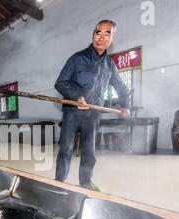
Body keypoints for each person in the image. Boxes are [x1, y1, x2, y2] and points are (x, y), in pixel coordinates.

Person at [54, 20, 131, 192]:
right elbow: (60, 83)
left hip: (93, 114)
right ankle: (59, 182)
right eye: (98, 32)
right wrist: (76, 97)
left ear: (113, 37)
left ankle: (86, 181)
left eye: (107, 33)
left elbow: (120, 86)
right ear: (93, 35)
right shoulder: (77, 58)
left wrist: (125, 105)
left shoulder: (110, 65)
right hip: (72, 112)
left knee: (89, 151)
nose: (101, 37)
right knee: (66, 148)